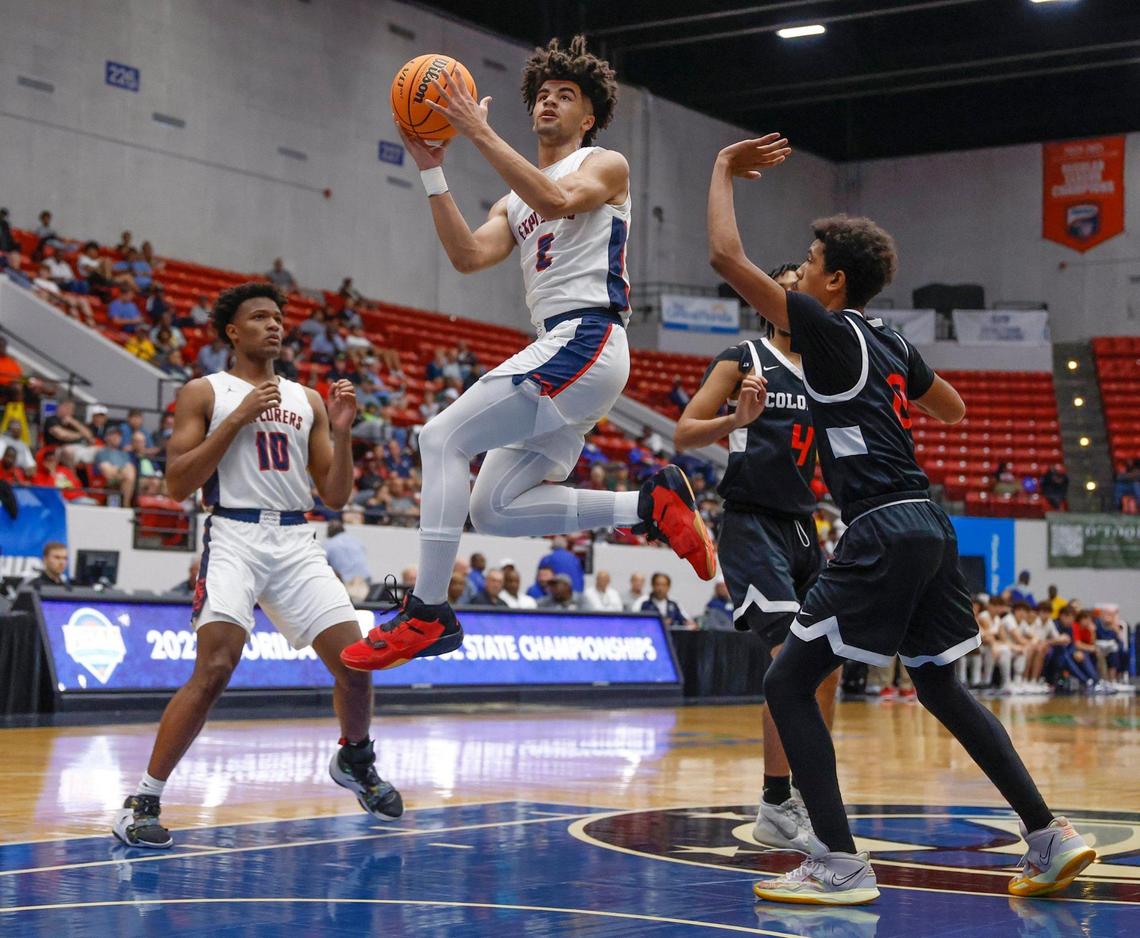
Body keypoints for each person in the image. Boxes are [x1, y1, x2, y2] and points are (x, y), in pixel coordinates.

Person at [707, 136, 1093, 904]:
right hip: (930, 521)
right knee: (943, 689)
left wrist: (721, 168)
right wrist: (887, 400)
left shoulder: (825, 327)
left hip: (881, 527)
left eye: (811, 261)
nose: (802, 270)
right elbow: (953, 408)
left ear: (834, 280)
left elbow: (724, 256)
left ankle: (839, 865)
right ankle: (1049, 836)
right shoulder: (889, 338)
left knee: (787, 684)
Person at [340, 36, 715, 672]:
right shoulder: (510, 201)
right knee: (493, 509)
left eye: (565, 96)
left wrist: (477, 132)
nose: (549, 103)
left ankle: (427, 612)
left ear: (588, 116)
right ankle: (647, 505)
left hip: (588, 336)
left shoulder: (605, 164)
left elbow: (558, 200)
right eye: (542, 95)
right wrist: (433, 166)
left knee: (440, 438)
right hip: (563, 347)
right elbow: (466, 257)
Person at [112, 282, 402, 851]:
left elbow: (337, 495)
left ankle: (355, 758)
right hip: (234, 531)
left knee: (356, 660)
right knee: (216, 667)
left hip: (296, 537)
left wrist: (342, 436)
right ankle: (141, 801)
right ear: (232, 331)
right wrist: (238, 417)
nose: (274, 325)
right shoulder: (204, 391)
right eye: (260, 318)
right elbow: (176, 483)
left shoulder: (308, 399)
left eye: (278, 317)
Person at [675, 258, 841, 849]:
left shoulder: (827, 368)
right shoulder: (743, 358)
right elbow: (683, 431)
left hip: (804, 526)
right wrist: (735, 418)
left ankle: (801, 795)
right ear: (770, 300)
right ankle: (776, 802)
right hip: (752, 521)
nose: (801, 297)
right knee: (792, 656)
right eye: (791, 288)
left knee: (829, 663)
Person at [324, 519, 371, 603]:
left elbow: (324, 565)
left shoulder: (328, 545)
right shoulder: (356, 540)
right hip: (365, 580)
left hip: (347, 583)